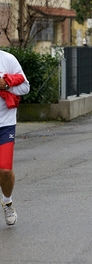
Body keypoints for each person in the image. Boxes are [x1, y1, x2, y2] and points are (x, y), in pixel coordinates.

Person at [0, 50, 30, 225]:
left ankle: (7, 201)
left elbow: (25, 87)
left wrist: (5, 84)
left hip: (5, 123)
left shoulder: (8, 59)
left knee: (4, 170)